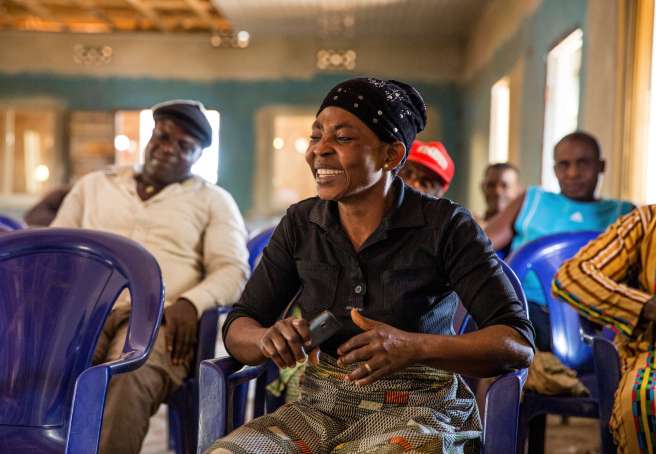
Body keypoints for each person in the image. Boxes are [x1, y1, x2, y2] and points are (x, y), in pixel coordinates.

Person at [206, 78, 534, 454]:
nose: (319, 151)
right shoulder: (301, 223)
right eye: (316, 137)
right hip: (320, 408)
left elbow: (516, 344)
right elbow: (239, 325)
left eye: (342, 138)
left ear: (391, 155)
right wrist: (266, 339)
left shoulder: (446, 226)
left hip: (420, 410)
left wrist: (414, 346)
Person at [52, 100, 250, 454]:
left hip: (156, 321)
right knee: (40, 367)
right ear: (150, 137)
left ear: (198, 156)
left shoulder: (213, 200)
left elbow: (233, 269)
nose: (167, 148)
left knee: (127, 376)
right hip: (85, 315)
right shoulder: (95, 185)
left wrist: (193, 303)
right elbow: (57, 252)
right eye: (162, 136)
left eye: (183, 146)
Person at [485, 131, 633, 351]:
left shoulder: (624, 214)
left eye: (583, 163)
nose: (573, 173)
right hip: (528, 309)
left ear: (601, 166)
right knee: (496, 328)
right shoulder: (533, 200)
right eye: (564, 165)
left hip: (597, 319)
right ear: (555, 170)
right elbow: (481, 244)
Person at [553, 206, 656, 454]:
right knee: (644, 400)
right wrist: (645, 307)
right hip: (649, 352)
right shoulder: (645, 222)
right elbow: (572, 276)